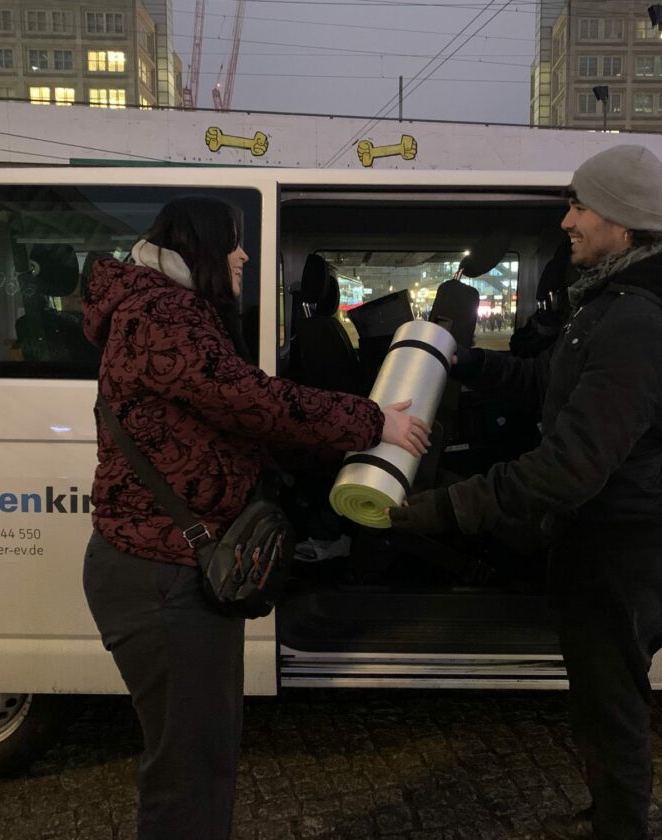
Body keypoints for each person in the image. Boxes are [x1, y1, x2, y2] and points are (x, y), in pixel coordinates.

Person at [80, 195, 430, 840]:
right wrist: (374, 421)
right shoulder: (163, 313)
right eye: (233, 242)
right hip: (163, 573)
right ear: (201, 247)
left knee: (200, 751)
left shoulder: (165, 307)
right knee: (189, 765)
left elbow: (233, 412)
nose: (243, 254)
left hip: (170, 563)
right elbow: (249, 399)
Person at [389, 145, 662, 840]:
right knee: (600, 699)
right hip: (592, 539)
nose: (567, 220)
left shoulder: (635, 322)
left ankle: (619, 829)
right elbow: (546, 383)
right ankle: (606, 818)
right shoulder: (611, 304)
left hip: (614, 550)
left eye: (579, 206)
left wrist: (438, 509)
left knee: (613, 705)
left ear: (621, 222)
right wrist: (461, 360)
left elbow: (569, 466)